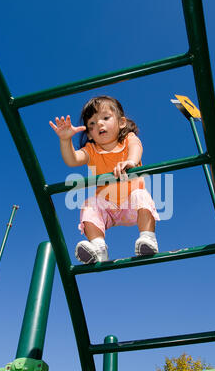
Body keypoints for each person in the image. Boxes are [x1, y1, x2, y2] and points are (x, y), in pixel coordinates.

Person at [49, 95, 160, 264]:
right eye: (91, 124)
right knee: (89, 203)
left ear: (121, 122)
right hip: (107, 207)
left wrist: (131, 161)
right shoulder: (91, 149)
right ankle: (99, 248)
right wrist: (65, 140)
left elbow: (136, 148)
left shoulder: (128, 139)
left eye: (105, 118)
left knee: (141, 195)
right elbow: (72, 160)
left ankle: (148, 238)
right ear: (90, 134)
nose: (99, 124)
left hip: (132, 204)